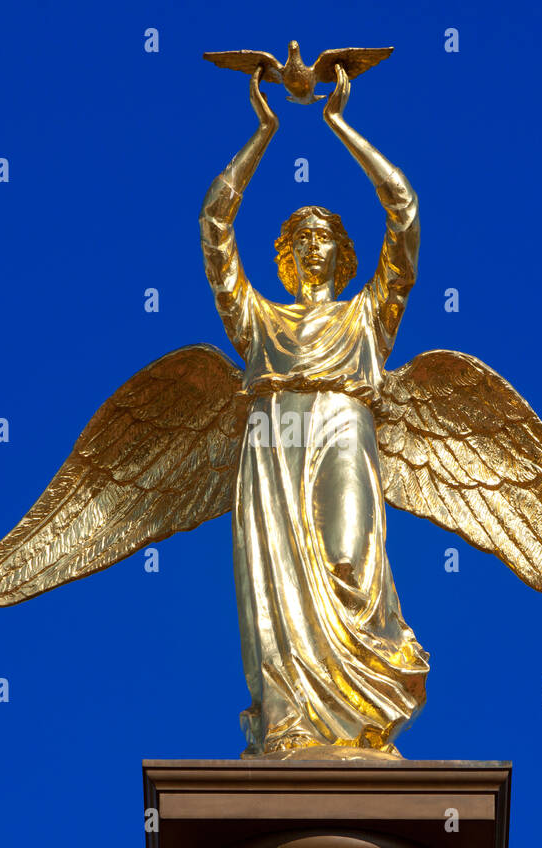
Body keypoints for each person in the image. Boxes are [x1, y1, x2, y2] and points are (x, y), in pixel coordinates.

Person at [199, 65, 428, 758]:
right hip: (272, 436)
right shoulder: (258, 322)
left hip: (342, 425)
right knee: (275, 587)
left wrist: (339, 124)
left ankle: (364, 710)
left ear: (342, 250)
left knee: (352, 561)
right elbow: (214, 227)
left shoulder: (367, 317)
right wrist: (263, 132)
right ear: (285, 258)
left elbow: (406, 212)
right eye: (299, 238)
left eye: (324, 235)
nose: (312, 245)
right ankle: (289, 721)